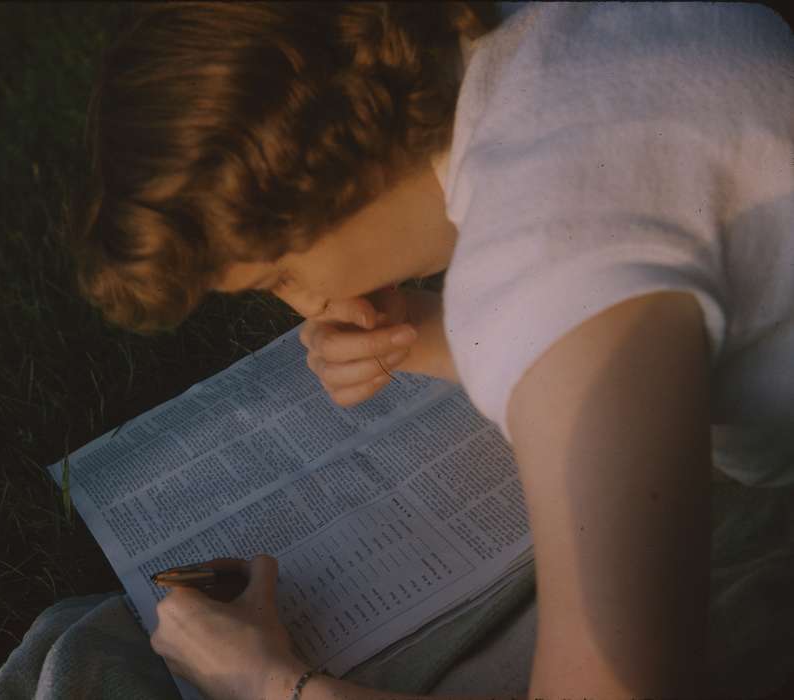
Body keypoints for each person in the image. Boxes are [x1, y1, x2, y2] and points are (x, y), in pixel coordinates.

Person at [42, 2, 793, 699]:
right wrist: (437, 334)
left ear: (330, 178)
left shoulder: (550, 275)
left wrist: (276, 685)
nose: (303, 307)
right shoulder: (534, 32)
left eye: (282, 275)